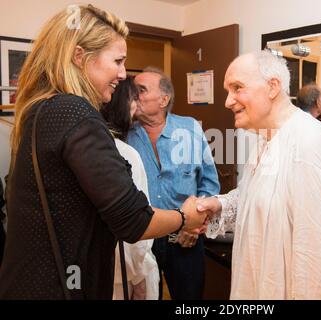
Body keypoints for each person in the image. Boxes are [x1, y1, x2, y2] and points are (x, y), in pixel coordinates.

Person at [0, 5, 206, 299]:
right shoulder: (74, 112)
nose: (123, 74)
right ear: (80, 56)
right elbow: (134, 220)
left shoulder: (40, 109)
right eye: (118, 61)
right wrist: (184, 218)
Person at [197, 50, 321, 300]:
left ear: (272, 87)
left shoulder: (307, 144)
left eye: (237, 88)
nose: (228, 101)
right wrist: (219, 204)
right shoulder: (267, 138)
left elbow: (317, 257)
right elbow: (261, 196)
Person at [128, 67, 220, 300]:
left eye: (141, 90)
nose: (133, 96)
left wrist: (195, 226)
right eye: (132, 90)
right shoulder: (123, 133)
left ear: (163, 99)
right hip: (141, 240)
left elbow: (209, 184)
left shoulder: (189, 128)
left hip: (184, 238)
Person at [101, 76, 159, 300]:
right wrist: (138, 277)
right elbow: (136, 224)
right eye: (133, 99)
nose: (137, 105)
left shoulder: (90, 146)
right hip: (124, 272)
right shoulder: (125, 154)